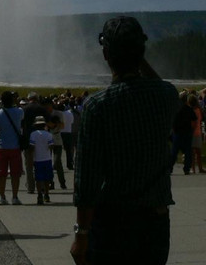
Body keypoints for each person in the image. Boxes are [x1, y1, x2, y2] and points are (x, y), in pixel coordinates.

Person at [71, 16, 178, 265]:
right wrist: (137, 55)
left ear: (106, 55)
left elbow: (86, 179)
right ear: (141, 51)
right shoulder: (166, 96)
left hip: (112, 225)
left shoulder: (98, 106)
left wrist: (81, 234)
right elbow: (159, 84)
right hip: (156, 224)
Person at [0, 90, 25, 206]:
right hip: (15, 147)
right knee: (15, 174)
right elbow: (21, 116)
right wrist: (17, 102)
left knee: (1, 174)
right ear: (12, 100)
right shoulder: (19, 112)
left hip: (1, 147)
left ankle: (2, 197)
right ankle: (15, 197)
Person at [29, 115, 54, 204]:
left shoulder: (33, 134)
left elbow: (31, 147)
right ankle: (46, 194)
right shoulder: (49, 134)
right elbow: (51, 146)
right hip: (47, 159)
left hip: (37, 159)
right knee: (47, 178)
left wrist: (31, 158)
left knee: (38, 179)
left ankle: (39, 195)